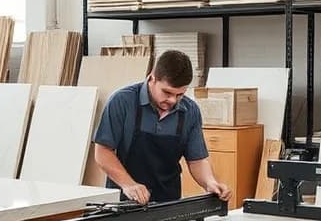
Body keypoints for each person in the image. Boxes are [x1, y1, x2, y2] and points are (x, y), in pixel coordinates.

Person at [93, 50, 231, 205]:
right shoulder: (122, 102)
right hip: (125, 202)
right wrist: (129, 184)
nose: (172, 100)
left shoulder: (190, 111)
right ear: (152, 78)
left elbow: (196, 159)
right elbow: (103, 152)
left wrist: (210, 183)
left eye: (180, 94)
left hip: (168, 204)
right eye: (167, 92)